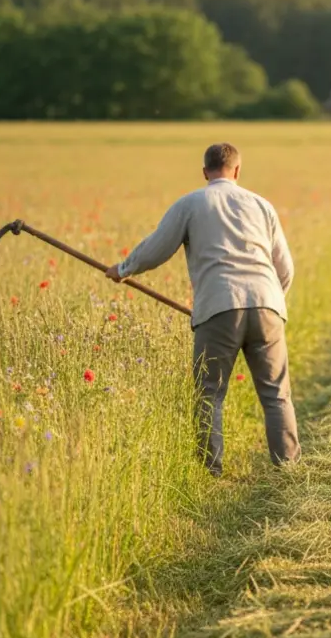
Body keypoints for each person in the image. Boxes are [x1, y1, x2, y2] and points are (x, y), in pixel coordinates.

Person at [106, 142, 299, 475]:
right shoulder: (261, 205)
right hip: (268, 304)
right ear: (237, 171)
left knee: (209, 393)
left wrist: (123, 269)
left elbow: (156, 248)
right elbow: (285, 268)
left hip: (219, 306)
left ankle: (210, 472)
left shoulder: (191, 204)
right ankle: (289, 469)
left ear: (204, 172)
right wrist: (270, 303)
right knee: (276, 395)